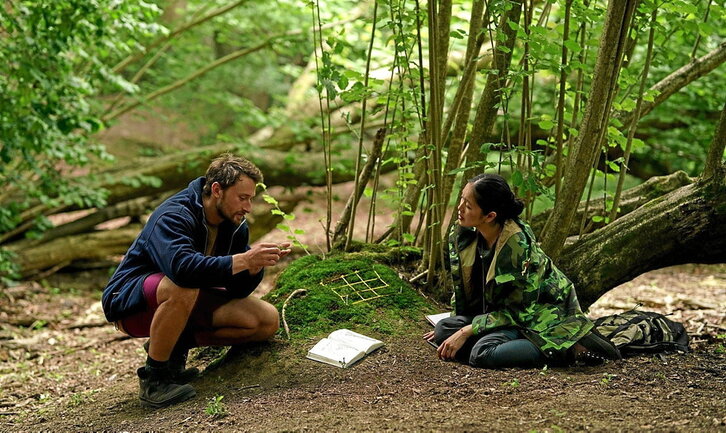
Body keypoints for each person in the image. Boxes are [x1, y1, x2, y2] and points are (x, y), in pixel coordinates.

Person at [102, 154, 290, 408]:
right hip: (130, 303)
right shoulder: (174, 215)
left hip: (184, 300)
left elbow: (238, 289)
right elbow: (183, 270)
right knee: (183, 284)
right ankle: (154, 379)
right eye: (242, 198)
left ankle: (171, 347)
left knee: (266, 320)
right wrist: (243, 260)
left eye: (250, 199)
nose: (248, 207)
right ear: (216, 190)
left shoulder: (235, 225)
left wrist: (254, 266)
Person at [424, 173, 621, 369]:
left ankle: (564, 350)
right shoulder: (465, 234)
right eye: (461, 200)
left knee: (482, 354)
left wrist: (466, 332)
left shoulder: (516, 246)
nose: (459, 209)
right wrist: (455, 329)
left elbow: (520, 312)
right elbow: (464, 288)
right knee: (443, 330)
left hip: (537, 317)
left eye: (468, 206)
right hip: (498, 313)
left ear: (490, 216)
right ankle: (502, 346)